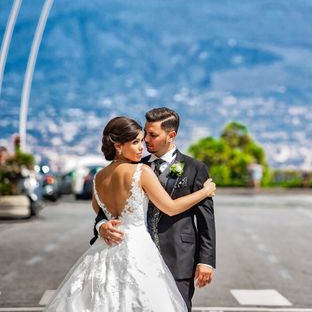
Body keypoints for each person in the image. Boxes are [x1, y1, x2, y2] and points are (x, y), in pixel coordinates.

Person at [44, 116, 216, 311]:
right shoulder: (140, 170)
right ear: (118, 146)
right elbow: (170, 207)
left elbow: (98, 209)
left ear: (171, 135)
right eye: (136, 142)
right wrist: (204, 192)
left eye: (144, 140)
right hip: (138, 251)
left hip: (109, 252)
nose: (142, 146)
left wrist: (104, 223)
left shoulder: (99, 177)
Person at [93, 107, 216, 311]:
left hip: (178, 258)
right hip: (134, 258)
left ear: (171, 135)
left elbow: (206, 220)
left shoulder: (195, 168)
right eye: (144, 135)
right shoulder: (135, 166)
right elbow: (103, 212)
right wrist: (102, 225)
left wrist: (206, 261)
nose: (146, 141)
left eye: (152, 135)